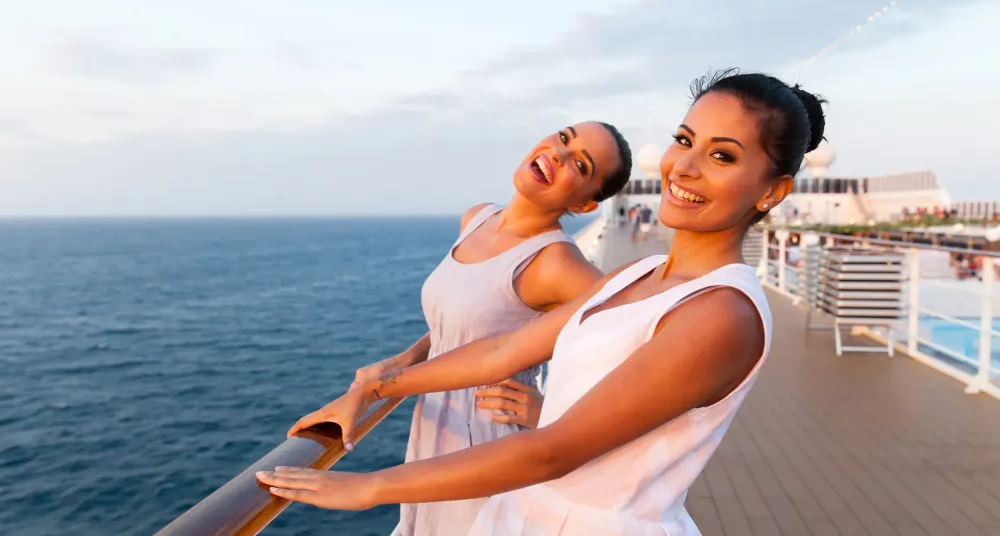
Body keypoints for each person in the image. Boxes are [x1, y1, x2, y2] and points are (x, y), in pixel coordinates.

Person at [260, 69, 826, 535]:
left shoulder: (722, 313)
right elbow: (502, 350)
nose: (686, 166)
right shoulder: (643, 272)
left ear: (773, 191)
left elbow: (554, 450)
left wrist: (369, 486)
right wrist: (372, 387)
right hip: (526, 511)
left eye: (722, 156)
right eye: (684, 141)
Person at [292, 121, 633, 536]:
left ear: (583, 206)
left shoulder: (556, 264)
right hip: (433, 418)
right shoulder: (478, 217)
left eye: (580, 165)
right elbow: (463, 321)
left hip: (487, 433)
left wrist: (550, 413)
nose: (559, 155)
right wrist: (400, 361)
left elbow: (633, 357)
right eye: (563, 138)